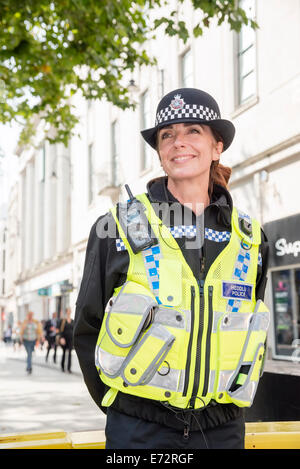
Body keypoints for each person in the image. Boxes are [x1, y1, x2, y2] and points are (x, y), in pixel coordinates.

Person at [74, 88, 270, 449]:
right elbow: (87, 326)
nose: (179, 142)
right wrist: (125, 409)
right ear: (160, 154)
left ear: (217, 147)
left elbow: (250, 322)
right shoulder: (117, 227)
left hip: (223, 430)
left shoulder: (251, 238)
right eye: (168, 135)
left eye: (193, 131)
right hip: (139, 430)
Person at [58, 308, 74, 373]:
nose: (69, 312)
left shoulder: (73, 321)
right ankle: (62, 367)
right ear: (66, 312)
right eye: (68, 311)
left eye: (70, 311)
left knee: (70, 354)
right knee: (64, 353)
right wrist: (61, 338)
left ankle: (69, 368)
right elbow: (60, 330)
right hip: (64, 339)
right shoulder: (63, 321)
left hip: (71, 339)